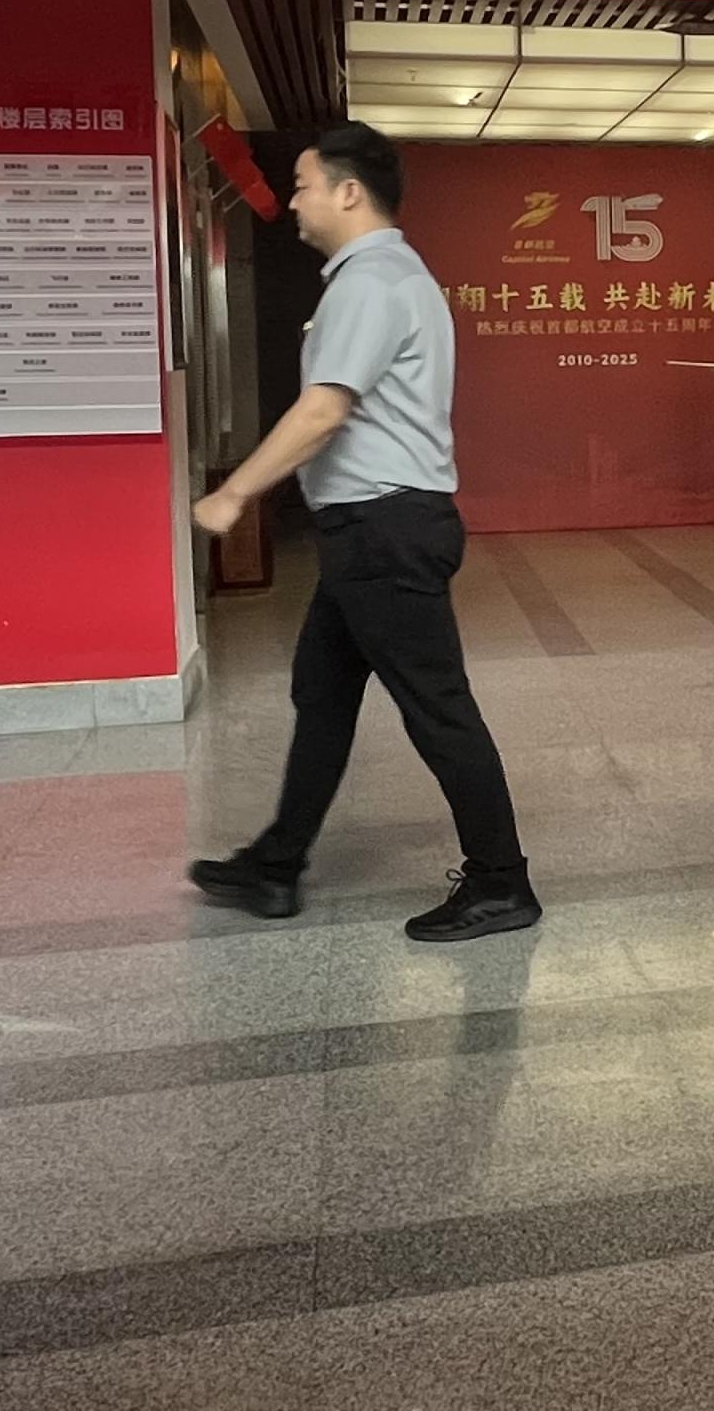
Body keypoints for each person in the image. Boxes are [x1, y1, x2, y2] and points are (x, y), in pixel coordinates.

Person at [187, 123, 538, 940]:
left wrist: (234, 494)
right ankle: (277, 865)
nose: (293, 202)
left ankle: (501, 882)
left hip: (384, 528)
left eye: (303, 185)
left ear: (349, 192)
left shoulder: (371, 281)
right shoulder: (382, 276)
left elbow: (323, 410)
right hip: (372, 527)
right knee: (323, 692)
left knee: (438, 708)